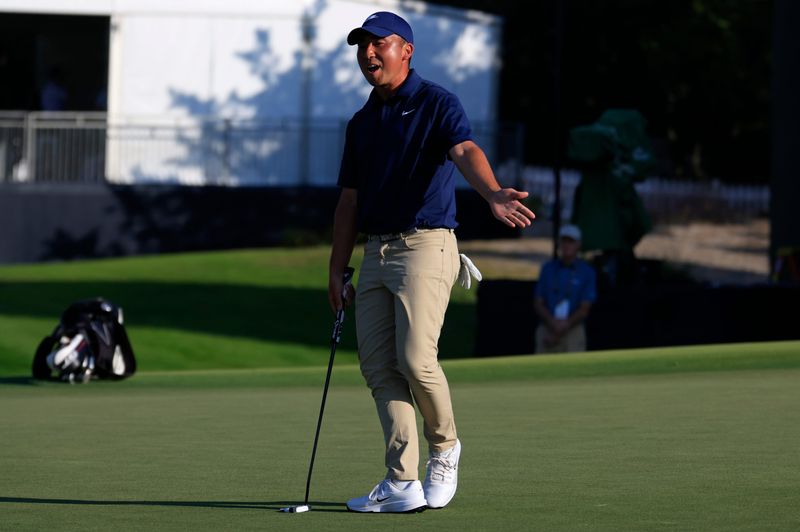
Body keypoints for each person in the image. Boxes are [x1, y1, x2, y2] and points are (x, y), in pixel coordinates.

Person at [328, 11, 535, 513]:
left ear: (408, 50)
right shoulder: (361, 122)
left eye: (379, 45)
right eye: (362, 47)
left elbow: (463, 148)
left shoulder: (435, 101)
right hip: (374, 252)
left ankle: (444, 449)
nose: (368, 54)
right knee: (379, 366)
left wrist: (490, 192)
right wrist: (336, 269)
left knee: (416, 360)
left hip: (425, 244)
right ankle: (401, 482)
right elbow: (349, 201)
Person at [533, 224, 597, 353]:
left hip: (573, 329)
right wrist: (553, 324)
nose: (567, 245)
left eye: (571, 241)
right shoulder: (548, 269)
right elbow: (538, 302)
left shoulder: (587, 272)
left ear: (578, 244)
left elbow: (585, 307)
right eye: (564, 241)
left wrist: (564, 326)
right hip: (548, 328)